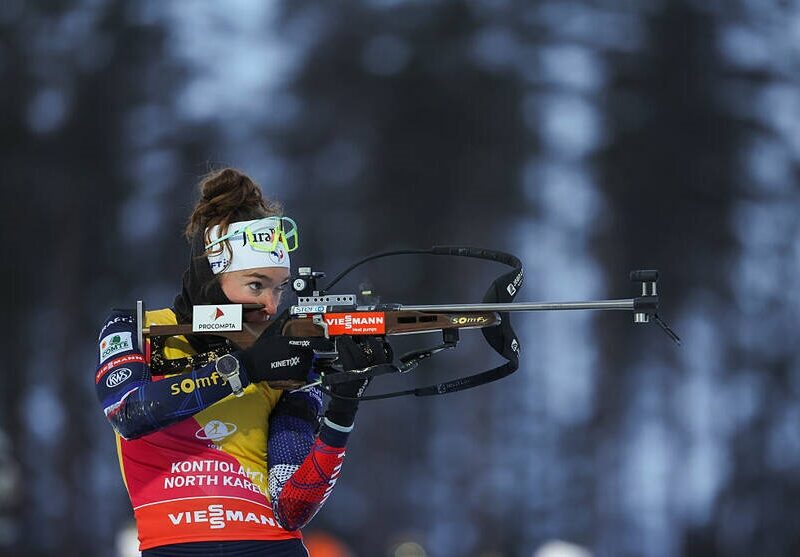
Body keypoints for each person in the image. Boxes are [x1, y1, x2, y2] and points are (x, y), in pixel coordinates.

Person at [95, 168, 390, 556]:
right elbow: (128, 412)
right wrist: (245, 369)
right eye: (256, 285)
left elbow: (293, 506)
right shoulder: (136, 328)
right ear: (211, 278)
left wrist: (343, 408)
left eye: (279, 288)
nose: (271, 306)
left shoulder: (287, 357)